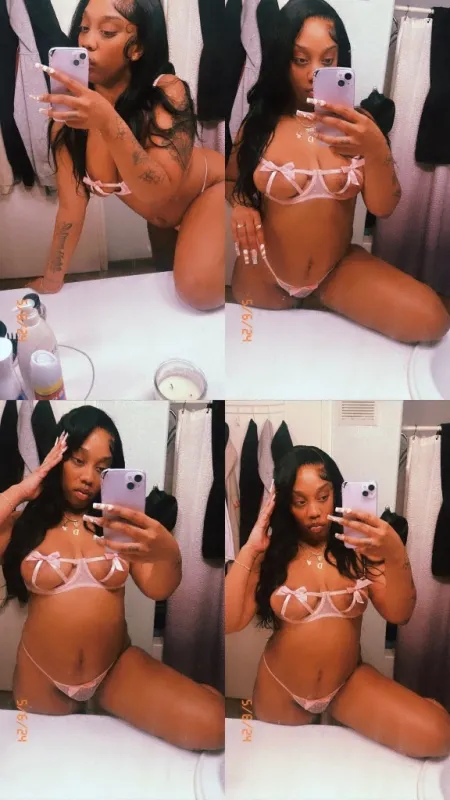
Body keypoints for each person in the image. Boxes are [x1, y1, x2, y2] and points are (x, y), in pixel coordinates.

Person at [0, 405, 224, 751]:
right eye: (78, 460)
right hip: (41, 674)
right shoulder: (25, 524)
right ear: (58, 459)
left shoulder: (119, 528)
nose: (88, 477)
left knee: (215, 726)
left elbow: (158, 588)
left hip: (115, 667)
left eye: (102, 468)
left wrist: (167, 550)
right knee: (43, 763)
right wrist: (24, 487)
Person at [226, 0, 449, 342]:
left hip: (336, 271)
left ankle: (321, 299)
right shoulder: (259, 124)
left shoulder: (359, 129)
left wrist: (374, 145)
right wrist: (242, 205)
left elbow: (383, 207)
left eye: (327, 61)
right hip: (263, 273)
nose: (314, 73)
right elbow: (231, 180)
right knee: (256, 354)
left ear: (341, 61)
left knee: (433, 320)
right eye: (301, 60)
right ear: (282, 59)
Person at [225, 445, 450, 758]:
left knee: (438, 736)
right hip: (280, 688)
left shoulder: (360, 548)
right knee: (279, 771)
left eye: (323, 496)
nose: (314, 511)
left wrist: (393, 551)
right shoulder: (271, 555)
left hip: (347, 683)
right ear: (286, 504)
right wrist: (250, 549)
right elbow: (229, 621)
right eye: (300, 501)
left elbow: (400, 613)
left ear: (338, 493)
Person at [27, 0, 224, 311]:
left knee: (196, 294)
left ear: (137, 48)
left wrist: (107, 121)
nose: (87, 41)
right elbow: (70, 210)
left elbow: (159, 189)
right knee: (168, 302)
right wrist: (52, 278)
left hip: (211, 191)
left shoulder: (167, 92)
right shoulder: (71, 120)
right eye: (84, 27)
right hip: (160, 222)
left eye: (107, 31)